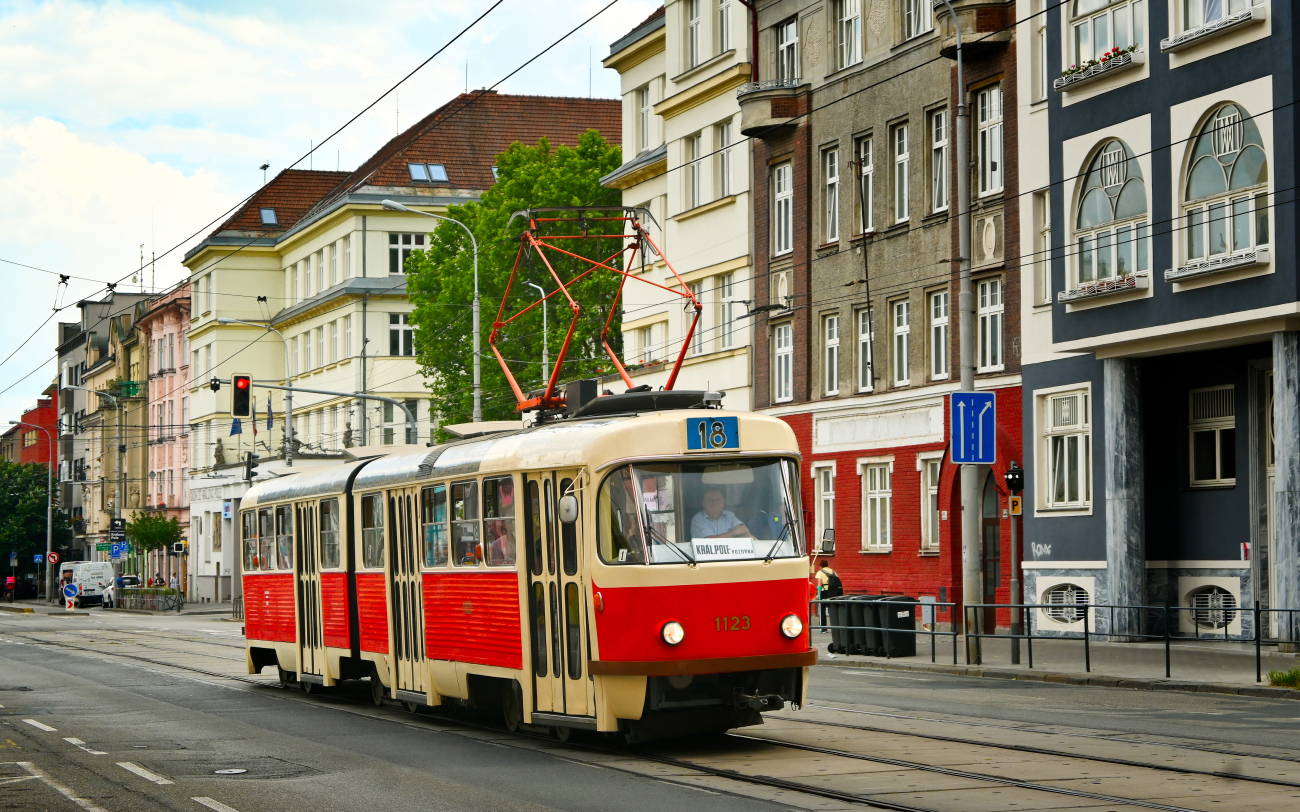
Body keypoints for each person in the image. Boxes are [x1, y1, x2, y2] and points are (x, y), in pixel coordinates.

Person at [815, 561, 843, 632]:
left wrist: (818, 594)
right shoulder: (833, 571)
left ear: (820, 566)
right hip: (834, 592)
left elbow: (820, 583)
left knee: (822, 610)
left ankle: (823, 629)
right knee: (833, 610)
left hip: (825, 592)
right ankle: (836, 627)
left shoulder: (820, 572)